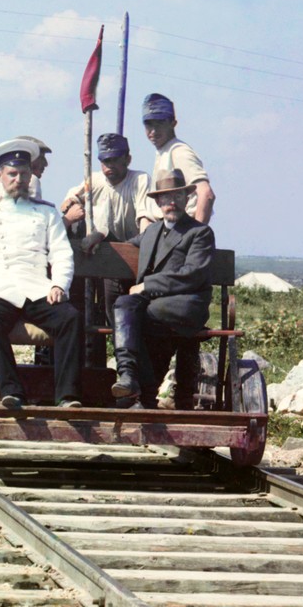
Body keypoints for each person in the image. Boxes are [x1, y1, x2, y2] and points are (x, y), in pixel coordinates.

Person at [0, 138, 81, 409]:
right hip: (0, 289)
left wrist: (59, 284)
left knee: (70, 318)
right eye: (12, 174)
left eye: (23, 173)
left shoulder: (46, 212)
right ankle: (11, 391)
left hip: (37, 288)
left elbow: (61, 252)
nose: (18, 179)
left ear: (30, 175)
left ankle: (67, 396)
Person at [110, 169, 215, 409]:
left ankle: (141, 390)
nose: (172, 202)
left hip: (185, 304)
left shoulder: (199, 233)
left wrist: (147, 285)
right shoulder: (152, 231)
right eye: (166, 198)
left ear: (187, 198)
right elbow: (125, 247)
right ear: (157, 202)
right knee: (125, 306)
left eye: (178, 196)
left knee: (135, 317)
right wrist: (102, 235)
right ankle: (128, 377)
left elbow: (192, 274)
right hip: (154, 305)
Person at [59, 132, 155, 368]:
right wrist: (73, 204)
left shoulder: (140, 180)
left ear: (127, 159)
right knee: (85, 309)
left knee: (115, 311)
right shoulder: (93, 180)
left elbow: (147, 222)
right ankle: (91, 367)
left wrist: (139, 254)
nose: (108, 167)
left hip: (126, 253)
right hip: (93, 253)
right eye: (104, 161)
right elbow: (68, 201)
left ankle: (127, 367)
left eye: (114, 160)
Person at [140, 93, 214, 224]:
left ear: (173, 123)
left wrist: (196, 236)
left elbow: (206, 194)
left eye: (159, 124)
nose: (153, 131)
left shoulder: (179, 151)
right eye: (149, 124)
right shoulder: (164, 151)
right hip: (166, 228)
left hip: (182, 228)